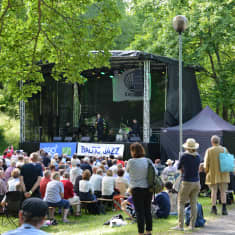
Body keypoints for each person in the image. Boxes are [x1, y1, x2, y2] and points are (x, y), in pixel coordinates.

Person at [172, 138, 200, 231]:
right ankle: (192, 225)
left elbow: (179, 167)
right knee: (193, 204)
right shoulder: (198, 156)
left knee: (181, 202)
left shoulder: (184, 156)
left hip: (187, 181)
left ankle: (180, 226)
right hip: (196, 182)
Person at [126, 143, 153, 235]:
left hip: (136, 189)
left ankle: (140, 232)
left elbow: (127, 171)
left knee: (139, 211)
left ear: (132, 151)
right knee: (147, 210)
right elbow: (155, 172)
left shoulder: (130, 161)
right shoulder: (148, 160)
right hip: (148, 188)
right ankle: (148, 231)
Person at [204, 135, 230, 215]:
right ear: (219, 142)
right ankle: (224, 209)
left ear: (212, 142)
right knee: (223, 192)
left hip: (213, 174)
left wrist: (207, 171)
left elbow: (206, 164)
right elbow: (229, 163)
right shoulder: (224, 150)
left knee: (214, 191)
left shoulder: (209, 150)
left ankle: (214, 208)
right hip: (224, 174)